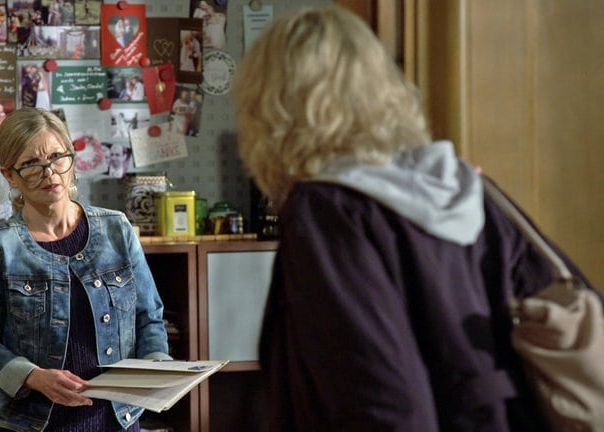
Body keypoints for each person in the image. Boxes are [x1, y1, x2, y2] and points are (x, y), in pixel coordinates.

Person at [232, 6, 597, 431]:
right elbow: (580, 306)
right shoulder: (469, 190)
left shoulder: (329, 213)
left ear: (274, 109)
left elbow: (380, 402)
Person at [0, 107, 171, 432]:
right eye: (31, 165)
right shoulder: (0, 246)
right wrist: (33, 376)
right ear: (10, 175)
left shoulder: (116, 229)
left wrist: (156, 368)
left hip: (117, 421)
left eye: (56, 157)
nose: (49, 172)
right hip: (35, 424)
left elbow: (148, 318)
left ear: (71, 158)